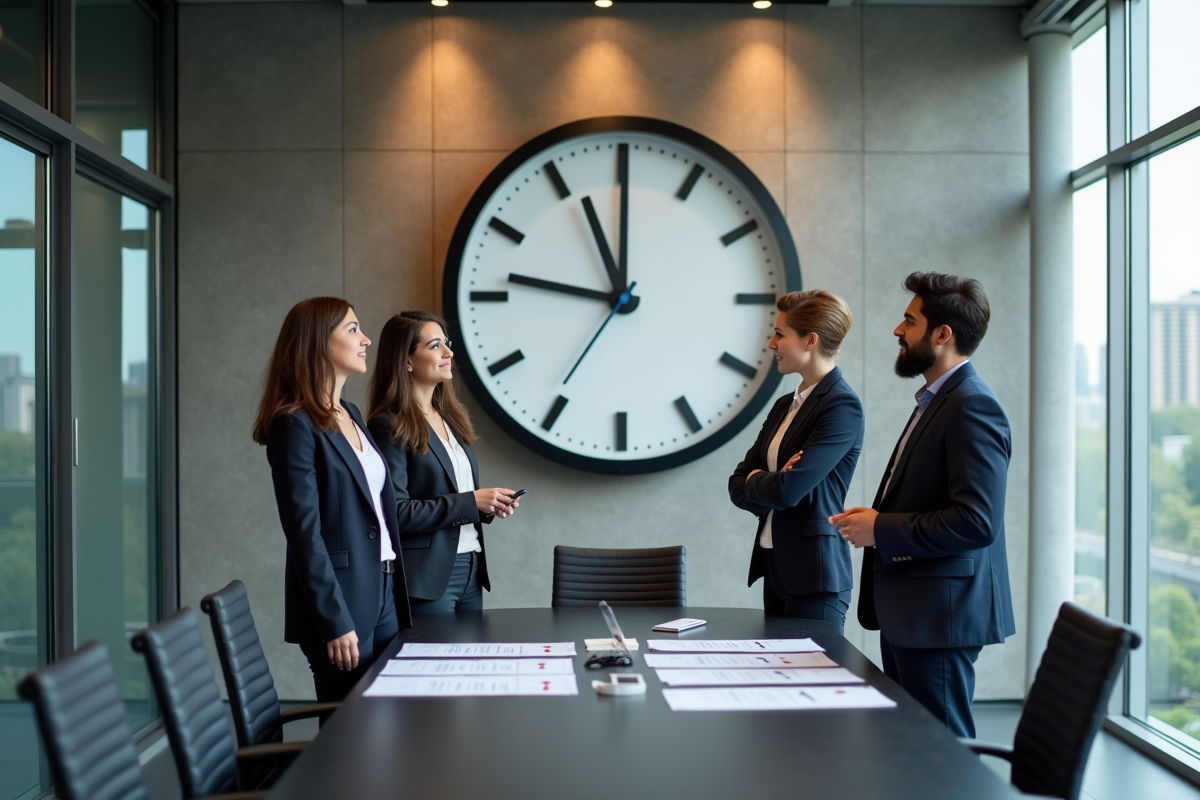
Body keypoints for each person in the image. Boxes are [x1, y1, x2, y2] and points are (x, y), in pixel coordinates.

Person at [831, 272, 1015, 738]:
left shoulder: (972, 405)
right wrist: (875, 521)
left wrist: (882, 529)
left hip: (940, 617)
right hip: (914, 612)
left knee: (943, 756)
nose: (898, 330)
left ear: (942, 334)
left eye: (909, 321)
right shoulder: (937, 401)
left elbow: (977, 522)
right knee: (913, 751)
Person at [252, 297, 411, 702]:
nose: (367, 340)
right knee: (353, 734)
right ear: (319, 342)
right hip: (342, 599)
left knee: (389, 719)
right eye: (353, 330)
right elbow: (304, 535)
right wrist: (334, 620)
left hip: (385, 587)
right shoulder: (294, 423)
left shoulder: (351, 412)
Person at [367, 310, 520, 615]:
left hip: (471, 568)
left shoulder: (450, 419)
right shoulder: (388, 424)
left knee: (474, 663)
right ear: (407, 360)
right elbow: (396, 513)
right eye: (435, 345)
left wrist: (487, 505)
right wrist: (471, 502)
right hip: (428, 578)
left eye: (446, 343)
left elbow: (457, 496)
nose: (449, 352)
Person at [728, 290, 863, 633]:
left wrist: (758, 479)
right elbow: (735, 484)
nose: (772, 343)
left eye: (780, 334)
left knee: (811, 683)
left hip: (815, 576)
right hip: (775, 567)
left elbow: (789, 491)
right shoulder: (783, 406)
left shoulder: (841, 406)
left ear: (810, 341)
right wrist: (763, 479)